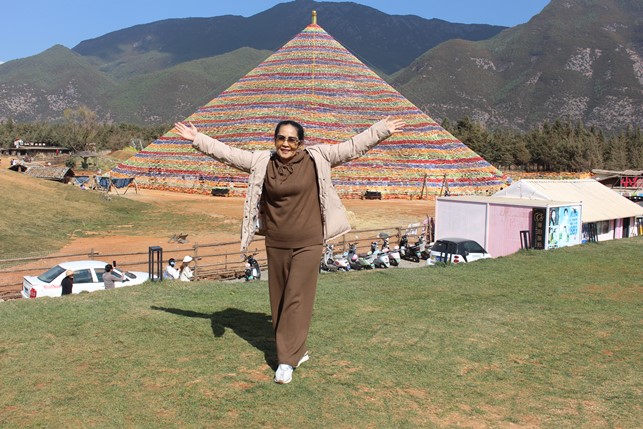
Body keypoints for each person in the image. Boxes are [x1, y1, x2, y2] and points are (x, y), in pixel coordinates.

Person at [175, 115, 405, 384]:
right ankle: (298, 349)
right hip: (276, 242)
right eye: (281, 138)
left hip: (309, 241)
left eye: (292, 140)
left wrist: (381, 129)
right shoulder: (262, 161)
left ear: (300, 143)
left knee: (296, 296)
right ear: (275, 140)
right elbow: (228, 154)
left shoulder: (318, 158)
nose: (286, 144)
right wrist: (197, 139)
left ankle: (286, 361)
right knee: (280, 299)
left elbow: (353, 146)